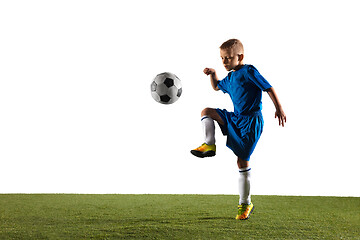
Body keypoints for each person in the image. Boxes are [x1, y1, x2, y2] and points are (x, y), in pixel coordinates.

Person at [191, 39, 286, 220]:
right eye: (222, 58)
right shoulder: (232, 76)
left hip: (251, 122)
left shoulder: (248, 71)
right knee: (207, 112)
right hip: (236, 118)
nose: (224, 61)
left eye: (228, 58)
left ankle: (245, 203)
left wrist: (279, 107)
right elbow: (217, 86)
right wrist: (213, 74)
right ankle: (209, 144)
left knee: (242, 162)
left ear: (240, 57)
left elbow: (268, 87)